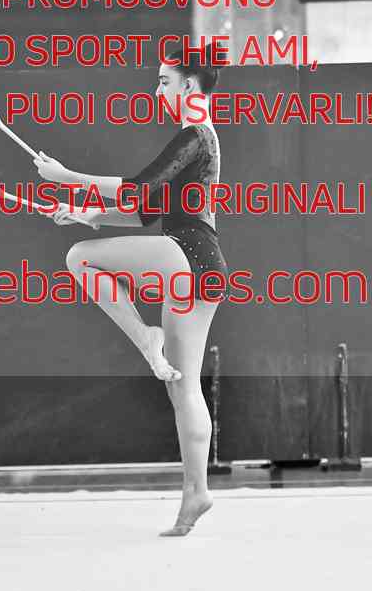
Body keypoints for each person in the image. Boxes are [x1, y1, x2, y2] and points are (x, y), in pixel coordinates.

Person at [34, 44, 228, 536]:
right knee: (183, 386)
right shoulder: (202, 139)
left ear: (189, 85)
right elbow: (147, 210)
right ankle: (196, 492)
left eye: (164, 81)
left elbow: (139, 188)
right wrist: (89, 214)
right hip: (205, 267)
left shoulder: (195, 135)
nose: (157, 90)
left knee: (79, 258)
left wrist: (66, 178)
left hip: (186, 254)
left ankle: (146, 338)